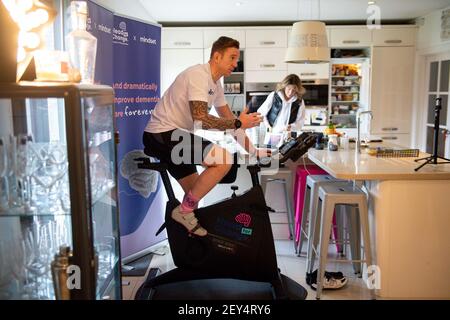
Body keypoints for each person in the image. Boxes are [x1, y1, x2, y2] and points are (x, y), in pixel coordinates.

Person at [143, 36, 269, 237]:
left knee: (195, 192)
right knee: (223, 160)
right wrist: (238, 122)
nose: (236, 64)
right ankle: (182, 212)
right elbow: (201, 119)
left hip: (175, 136)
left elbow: (229, 122)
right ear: (217, 56)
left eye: (237, 59)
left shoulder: (216, 85)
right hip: (161, 134)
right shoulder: (198, 75)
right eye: (232, 58)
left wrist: (254, 150)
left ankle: (187, 243)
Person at [257, 74, 306, 140]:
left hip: (289, 137)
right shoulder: (274, 96)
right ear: (284, 86)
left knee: (288, 150)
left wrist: (291, 127)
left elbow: (300, 121)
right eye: (289, 89)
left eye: (294, 90)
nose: (290, 92)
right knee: (271, 150)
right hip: (273, 135)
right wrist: (268, 126)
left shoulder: (299, 101)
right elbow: (261, 113)